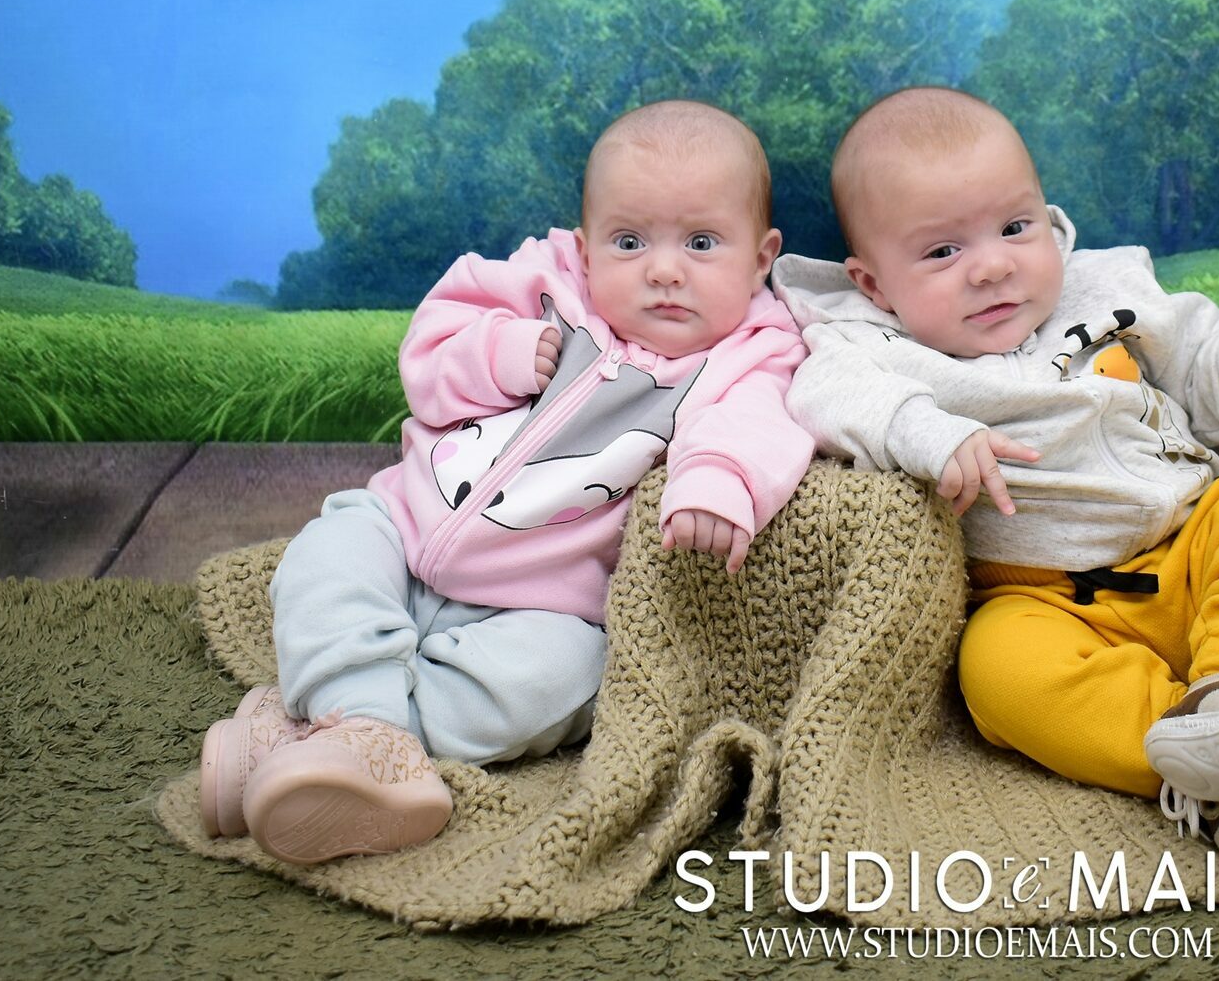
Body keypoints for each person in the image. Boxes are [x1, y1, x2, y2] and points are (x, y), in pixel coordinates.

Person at [197, 100, 813, 865]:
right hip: (404, 527)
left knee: (565, 678)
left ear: (761, 256)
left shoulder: (752, 348)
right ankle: (363, 726)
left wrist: (717, 482)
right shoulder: (541, 282)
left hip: (539, 602)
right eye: (628, 242)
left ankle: (324, 738)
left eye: (701, 243)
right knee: (324, 557)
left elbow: (756, 423)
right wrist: (500, 351)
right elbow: (430, 348)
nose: (663, 269)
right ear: (585, 247)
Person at [772, 87, 1219, 867]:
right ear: (874, 284)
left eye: (1015, 228)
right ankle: (1207, 770)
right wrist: (929, 433)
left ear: (1047, 220)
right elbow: (825, 396)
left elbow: (1209, 383)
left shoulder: (1107, 284)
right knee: (995, 672)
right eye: (942, 253)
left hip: (1186, 541)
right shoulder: (867, 341)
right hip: (1038, 598)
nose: (992, 267)